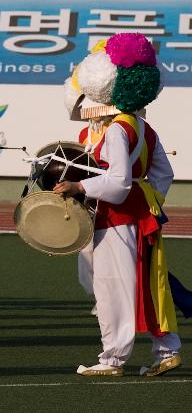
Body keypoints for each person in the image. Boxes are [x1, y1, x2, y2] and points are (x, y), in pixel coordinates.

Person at [55, 33, 190, 377]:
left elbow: (116, 183)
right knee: (149, 280)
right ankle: (167, 348)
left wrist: (78, 185)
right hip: (140, 215)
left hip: (116, 217)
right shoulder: (143, 127)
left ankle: (112, 358)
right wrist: (147, 201)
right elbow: (163, 174)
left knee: (112, 285)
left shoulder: (116, 130)